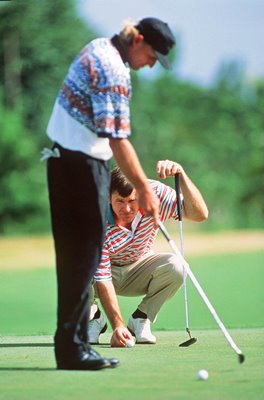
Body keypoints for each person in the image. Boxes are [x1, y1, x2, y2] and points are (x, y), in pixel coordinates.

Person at [44, 18, 176, 370]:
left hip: (65, 159)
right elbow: (116, 138)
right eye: (152, 56)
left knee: (79, 257)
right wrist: (145, 189)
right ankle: (72, 349)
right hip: (80, 164)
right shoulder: (112, 67)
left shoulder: (100, 47)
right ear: (139, 41)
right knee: (85, 257)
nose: (151, 64)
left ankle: (70, 346)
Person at [88, 160, 209, 347]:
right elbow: (103, 278)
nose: (127, 209)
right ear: (108, 198)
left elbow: (199, 214)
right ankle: (92, 318)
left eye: (132, 201)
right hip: (101, 276)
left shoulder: (155, 194)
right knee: (73, 267)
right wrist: (117, 326)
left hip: (139, 267)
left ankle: (140, 319)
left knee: (178, 266)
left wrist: (182, 175)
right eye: (119, 201)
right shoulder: (95, 215)